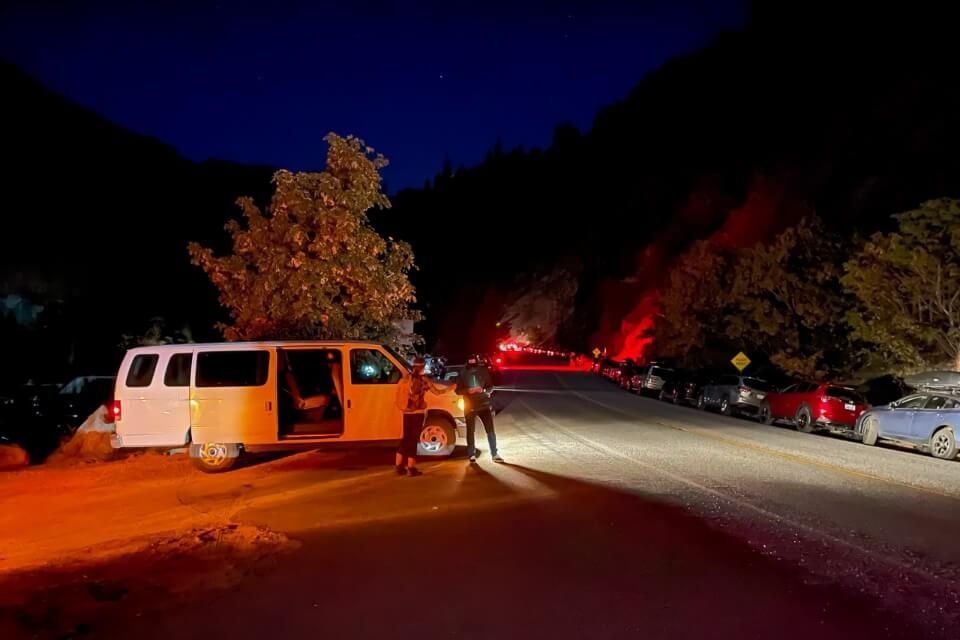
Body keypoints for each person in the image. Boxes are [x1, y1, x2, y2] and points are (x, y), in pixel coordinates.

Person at [394, 356, 454, 476]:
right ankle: (411, 468)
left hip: (406, 412)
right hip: (417, 413)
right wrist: (450, 389)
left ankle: (398, 467)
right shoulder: (424, 380)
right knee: (413, 441)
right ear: (423, 366)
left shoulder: (405, 379)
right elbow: (437, 392)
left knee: (405, 439)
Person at [457, 355, 503, 464]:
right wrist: (468, 390)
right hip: (469, 406)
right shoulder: (463, 373)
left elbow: (490, 387)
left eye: (475, 366)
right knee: (470, 431)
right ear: (467, 365)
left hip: (484, 404)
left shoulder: (484, 371)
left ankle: (494, 453)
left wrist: (484, 390)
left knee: (490, 430)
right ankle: (471, 454)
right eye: (471, 367)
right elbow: (458, 390)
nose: (473, 369)